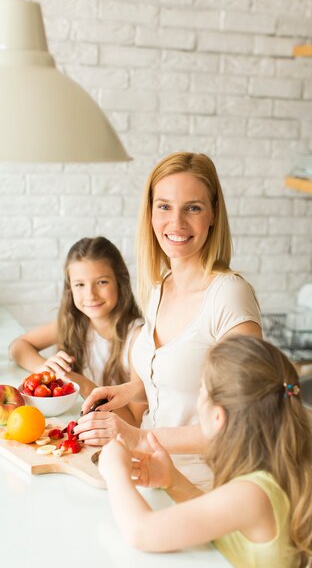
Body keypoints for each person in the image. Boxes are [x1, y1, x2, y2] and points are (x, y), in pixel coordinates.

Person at [76, 152, 262, 485]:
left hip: (205, 484)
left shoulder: (230, 296)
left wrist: (134, 437)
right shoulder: (158, 287)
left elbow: (239, 425)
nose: (176, 224)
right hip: (151, 470)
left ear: (213, 216)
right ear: (149, 213)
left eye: (193, 207)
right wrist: (129, 390)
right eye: (164, 206)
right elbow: (171, 382)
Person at [98, 335, 312, 568]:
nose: (198, 397)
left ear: (218, 416)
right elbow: (220, 524)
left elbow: (143, 532)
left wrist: (115, 470)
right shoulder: (265, 477)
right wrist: (173, 480)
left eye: (201, 390)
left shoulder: (251, 494)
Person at [9, 237, 143, 414]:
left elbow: (135, 420)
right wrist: (48, 369)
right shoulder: (75, 322)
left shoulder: (138, 337)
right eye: (80, 284)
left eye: (102, 282)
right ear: (70, 288)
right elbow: (17, 348)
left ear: (120, 282)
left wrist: (77, 381)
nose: (90, 294)